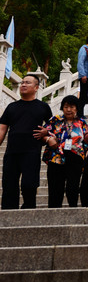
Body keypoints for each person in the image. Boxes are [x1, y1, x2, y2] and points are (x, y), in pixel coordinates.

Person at [0, 74, 53, 210]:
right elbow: (2, 129)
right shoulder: (12, 107)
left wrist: (46, 132)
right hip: (12, 152)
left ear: (36, 87)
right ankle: (8, 213)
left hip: (31, 152)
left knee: (29, 184)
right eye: (22, 82)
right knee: (9, 184)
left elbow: (53, 126)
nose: (23, 85)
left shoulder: (43, 107)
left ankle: (28, 209)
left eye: (27, 83)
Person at [42, 95, 87, 208]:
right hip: (56, 157)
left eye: (72, 107)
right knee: (55, 188)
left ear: (77, 108)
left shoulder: (82, 123)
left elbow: (87, 141)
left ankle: (73, 211)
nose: (68, 109)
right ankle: (53, 213)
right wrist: (48, 139)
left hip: (75, 158)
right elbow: (43, 133)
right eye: (66, 106)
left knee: (73, 188)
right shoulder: (55, 120)